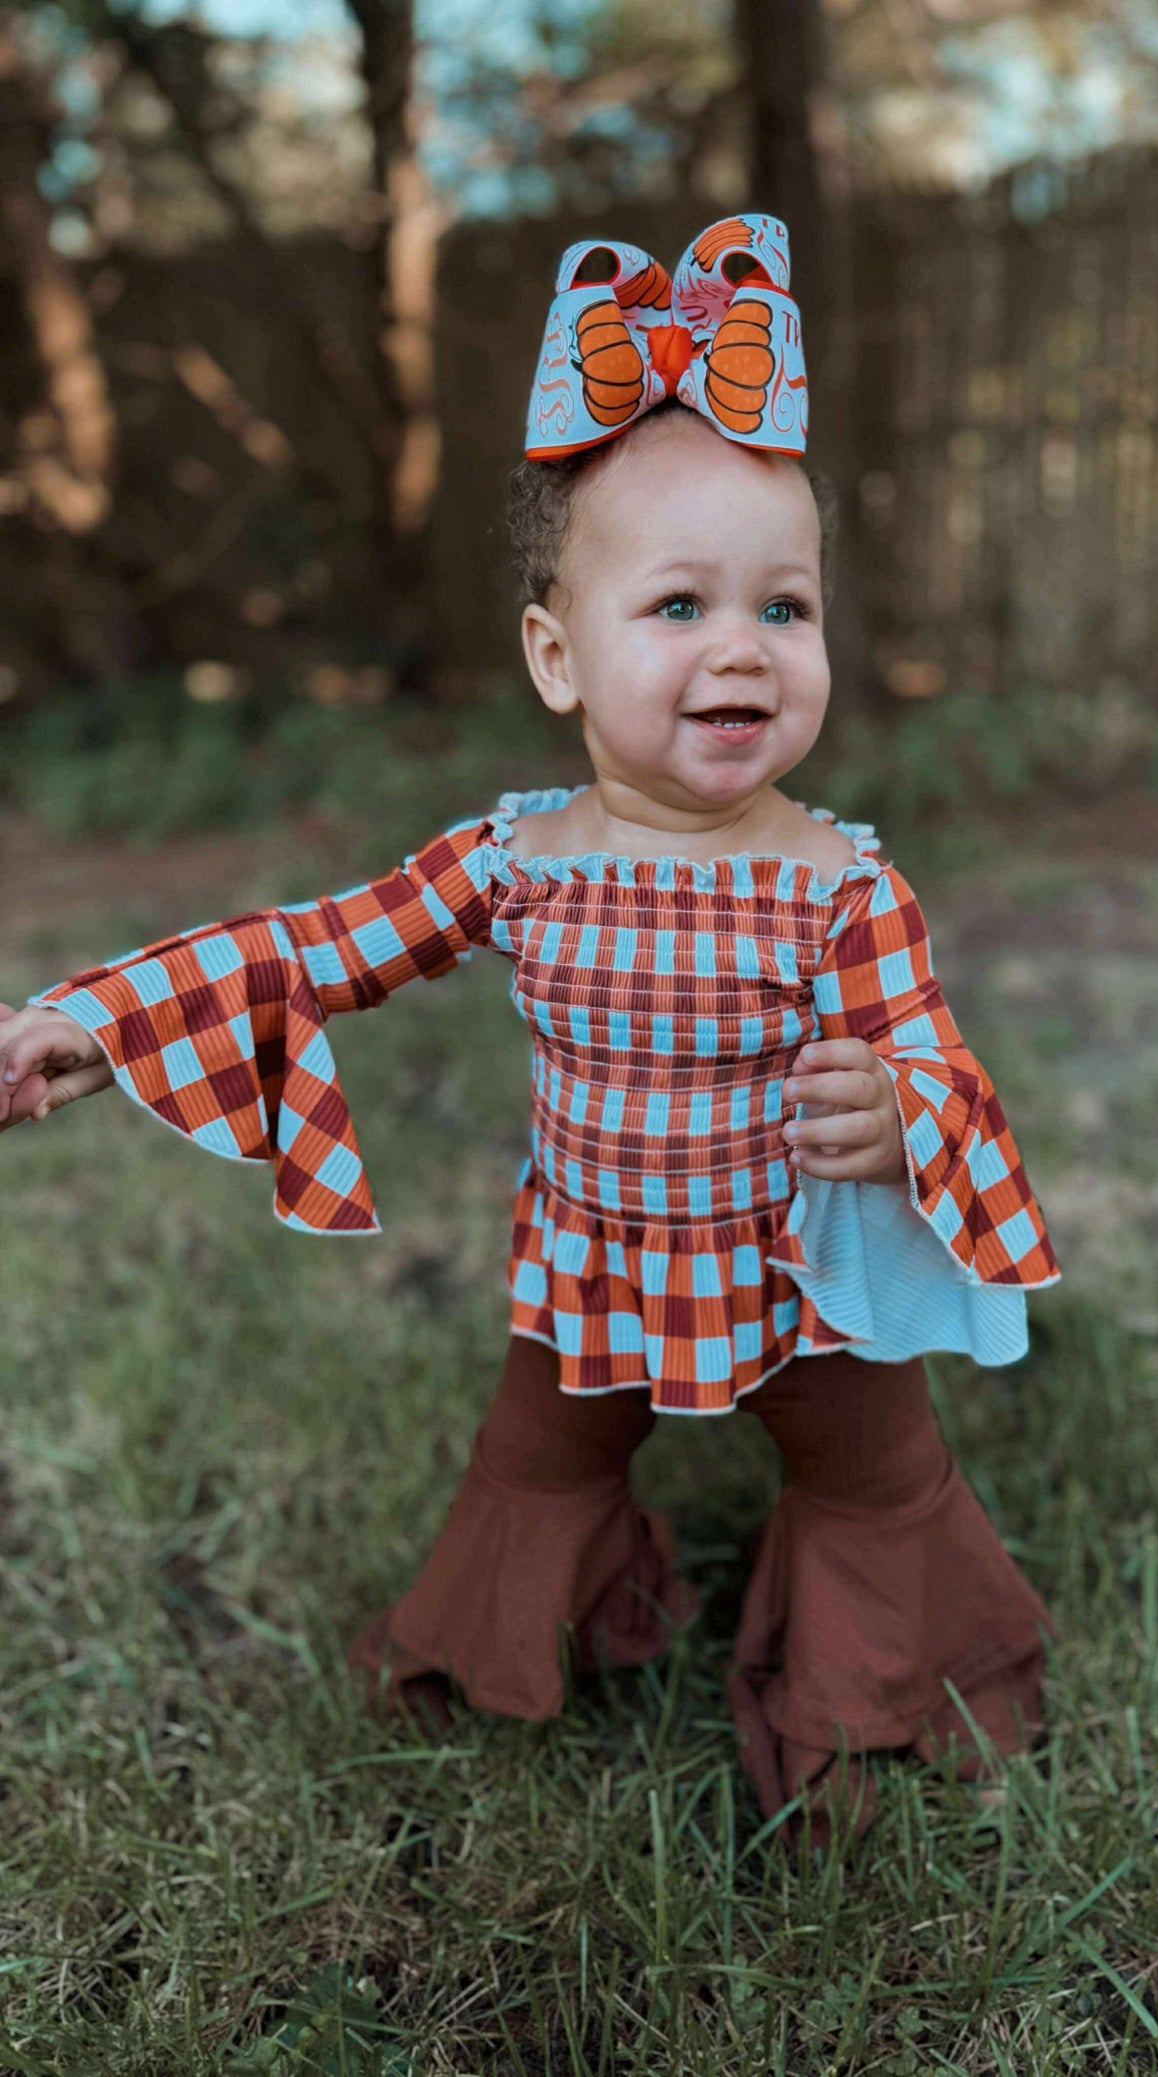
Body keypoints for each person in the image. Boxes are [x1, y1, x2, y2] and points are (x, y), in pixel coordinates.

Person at [0, 214, 1059, 1855]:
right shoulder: (516, 862)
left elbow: (934, 1059)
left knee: (871, 1480)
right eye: (679, 605)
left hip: (799, 1272)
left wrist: (898, 1105)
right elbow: (309, 950)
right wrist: (94, 1021)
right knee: (532, 1461)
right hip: (592, 1262)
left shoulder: (839, 881)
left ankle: (866, 1715)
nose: (740, 648)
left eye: (786, 607)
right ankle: (484, 1657)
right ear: (556, 655)